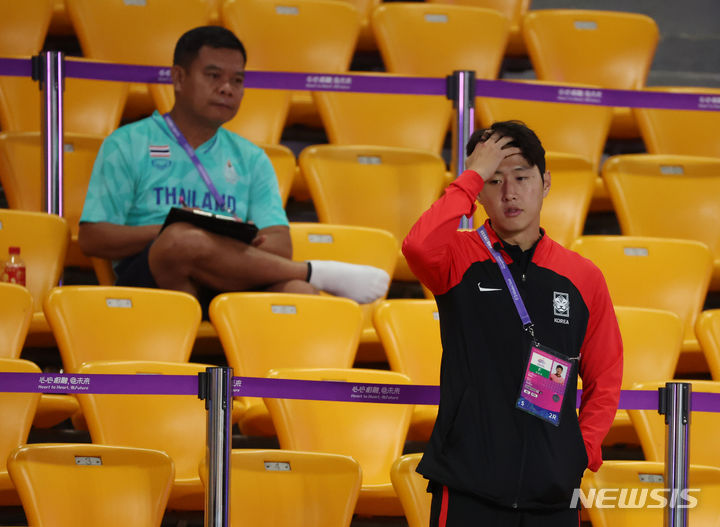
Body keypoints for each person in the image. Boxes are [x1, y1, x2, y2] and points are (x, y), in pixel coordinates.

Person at [402, 121, 623, 526]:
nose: (510, 193)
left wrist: (581, 448)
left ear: (546, 181)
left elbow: (605, 377)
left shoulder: (583, 277)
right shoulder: (458, 258)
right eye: (494, 180)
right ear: (479, 192)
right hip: (470, 484)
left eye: (521, 177)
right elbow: (418, 246)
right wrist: (469, 176)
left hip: (553, 492)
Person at [78, 26, 389, 312]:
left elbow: (279, 245)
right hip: (153, 276)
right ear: (179, 78)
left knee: (299, 292)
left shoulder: (251, 158)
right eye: (213, 76)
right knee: (181, 240)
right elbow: (93, 239)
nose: (226, 88)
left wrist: (221, 244)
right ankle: (315, 271)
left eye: (237, 80)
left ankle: (277, 349)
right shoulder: (128, 143)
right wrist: (171, 229)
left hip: (229, 278)